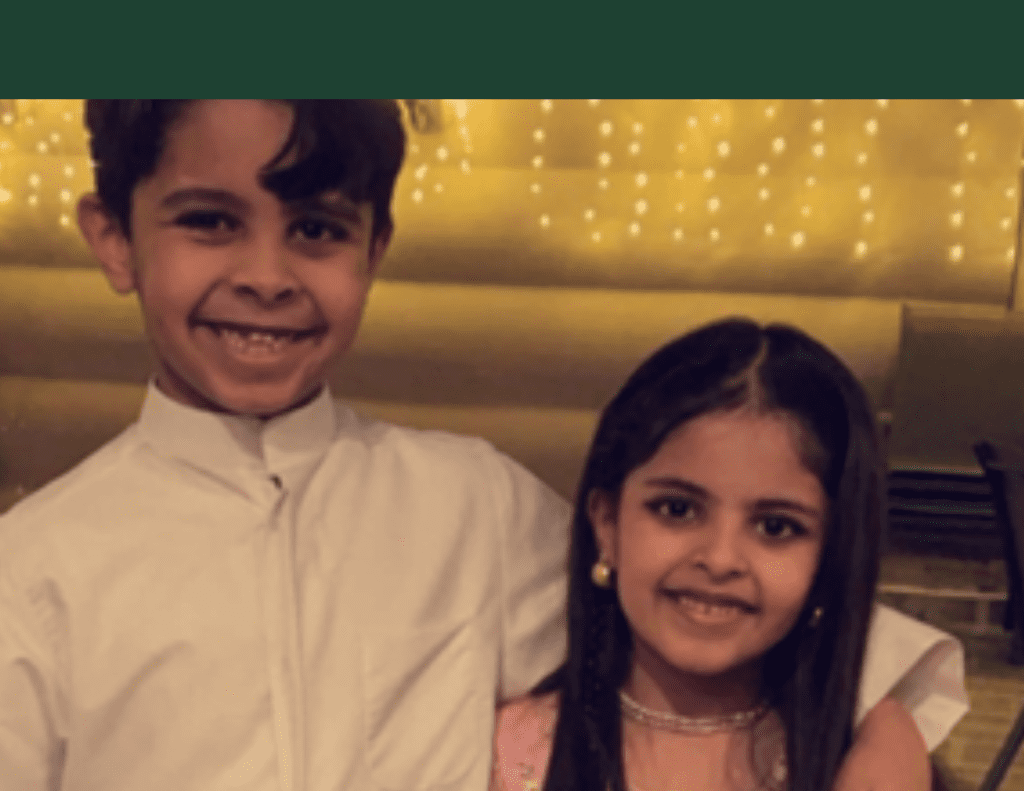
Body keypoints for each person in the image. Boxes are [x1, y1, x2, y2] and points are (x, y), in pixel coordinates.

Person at [0, 101, 963, 791]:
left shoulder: (468, 500)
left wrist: (885, 741)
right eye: (210, 221)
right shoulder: (33, 569)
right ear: (114, 238)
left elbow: (758, 607)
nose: (266, 274)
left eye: (317, 228)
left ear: (374, 249)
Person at [491, 319, 947, 791]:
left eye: (775, 527)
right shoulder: (510, 752)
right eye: (677, 509)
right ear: (607, 524)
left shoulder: (861, 763)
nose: (720, 559)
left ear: (831, 555)